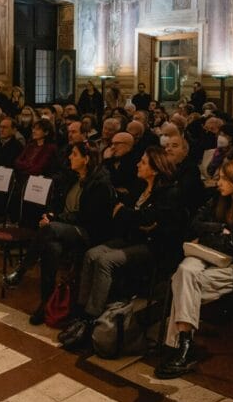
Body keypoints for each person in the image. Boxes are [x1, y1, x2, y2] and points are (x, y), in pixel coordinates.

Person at [155, 160, 233, 378]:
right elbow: (193, 224)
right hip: (208, 257)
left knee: (182, 281)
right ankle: (185, 348)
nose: (218, 182)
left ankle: (181, 347)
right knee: (185, 273)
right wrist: (220, 229)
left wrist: (206, 237)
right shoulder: (216, 199)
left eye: (224, 179)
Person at [60, 147, 185, 350]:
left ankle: (92, 318)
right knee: (91, 254)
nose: (138, 164)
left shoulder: (169, 193)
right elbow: (131, 216)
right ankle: (81, 312)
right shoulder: (140, 187)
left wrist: (131, 216)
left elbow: (148, 221)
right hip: (134, 238)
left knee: (105, 261)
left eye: (143, 162)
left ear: (155, 169)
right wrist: (134, 218)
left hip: (153, 247)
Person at [4, 143, 115, 324]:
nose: (70, 157)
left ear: (86, 159)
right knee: (51, 248)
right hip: (64, 229)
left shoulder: (100, 184)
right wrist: (50, 215)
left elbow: (87, 217)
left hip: (87, 233)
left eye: (74, 154)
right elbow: (58, 204)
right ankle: (45, 304)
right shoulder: (73, 178)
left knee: (50, 229)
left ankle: (21, 271)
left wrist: (56, 220)